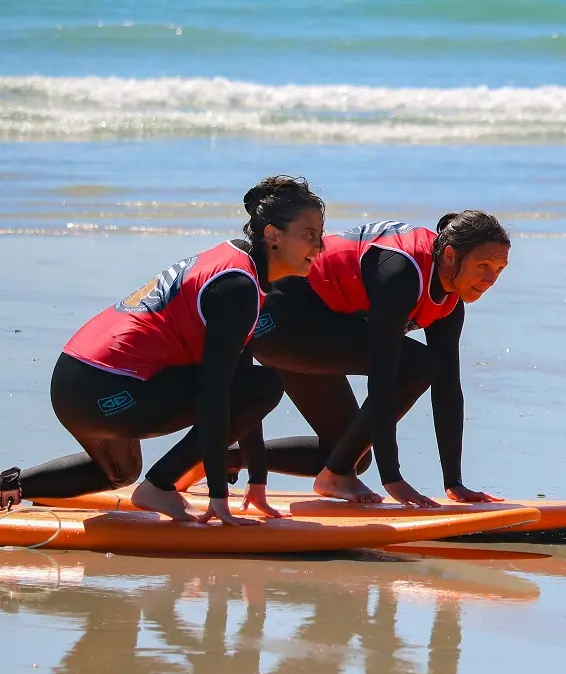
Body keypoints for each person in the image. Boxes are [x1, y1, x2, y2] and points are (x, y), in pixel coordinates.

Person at [4, 176, 326, 524]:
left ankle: (8, 488)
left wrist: (257, 481)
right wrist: (218, 496)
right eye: (309, 235)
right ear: (273, 235)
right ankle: (158, 485)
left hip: (77, 381)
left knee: (118, 474)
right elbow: (216, 397)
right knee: (263, 386)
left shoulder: (238, 267)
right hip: (104, 387)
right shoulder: (237, 287)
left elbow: (238, 384)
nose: (320, 246)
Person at [249, 212, 511, 507]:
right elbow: (384, 376)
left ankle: (215, 458)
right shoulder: (401, 274)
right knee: (417, 365)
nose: (490, 279)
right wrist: (392, 478)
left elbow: (448, 387)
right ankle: (335, 475)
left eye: (499, 269)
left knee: (349, 453)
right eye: (483, 266)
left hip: (314, 328)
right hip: (277, 322)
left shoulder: (449, 297)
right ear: (450, 255)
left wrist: (454, 482)